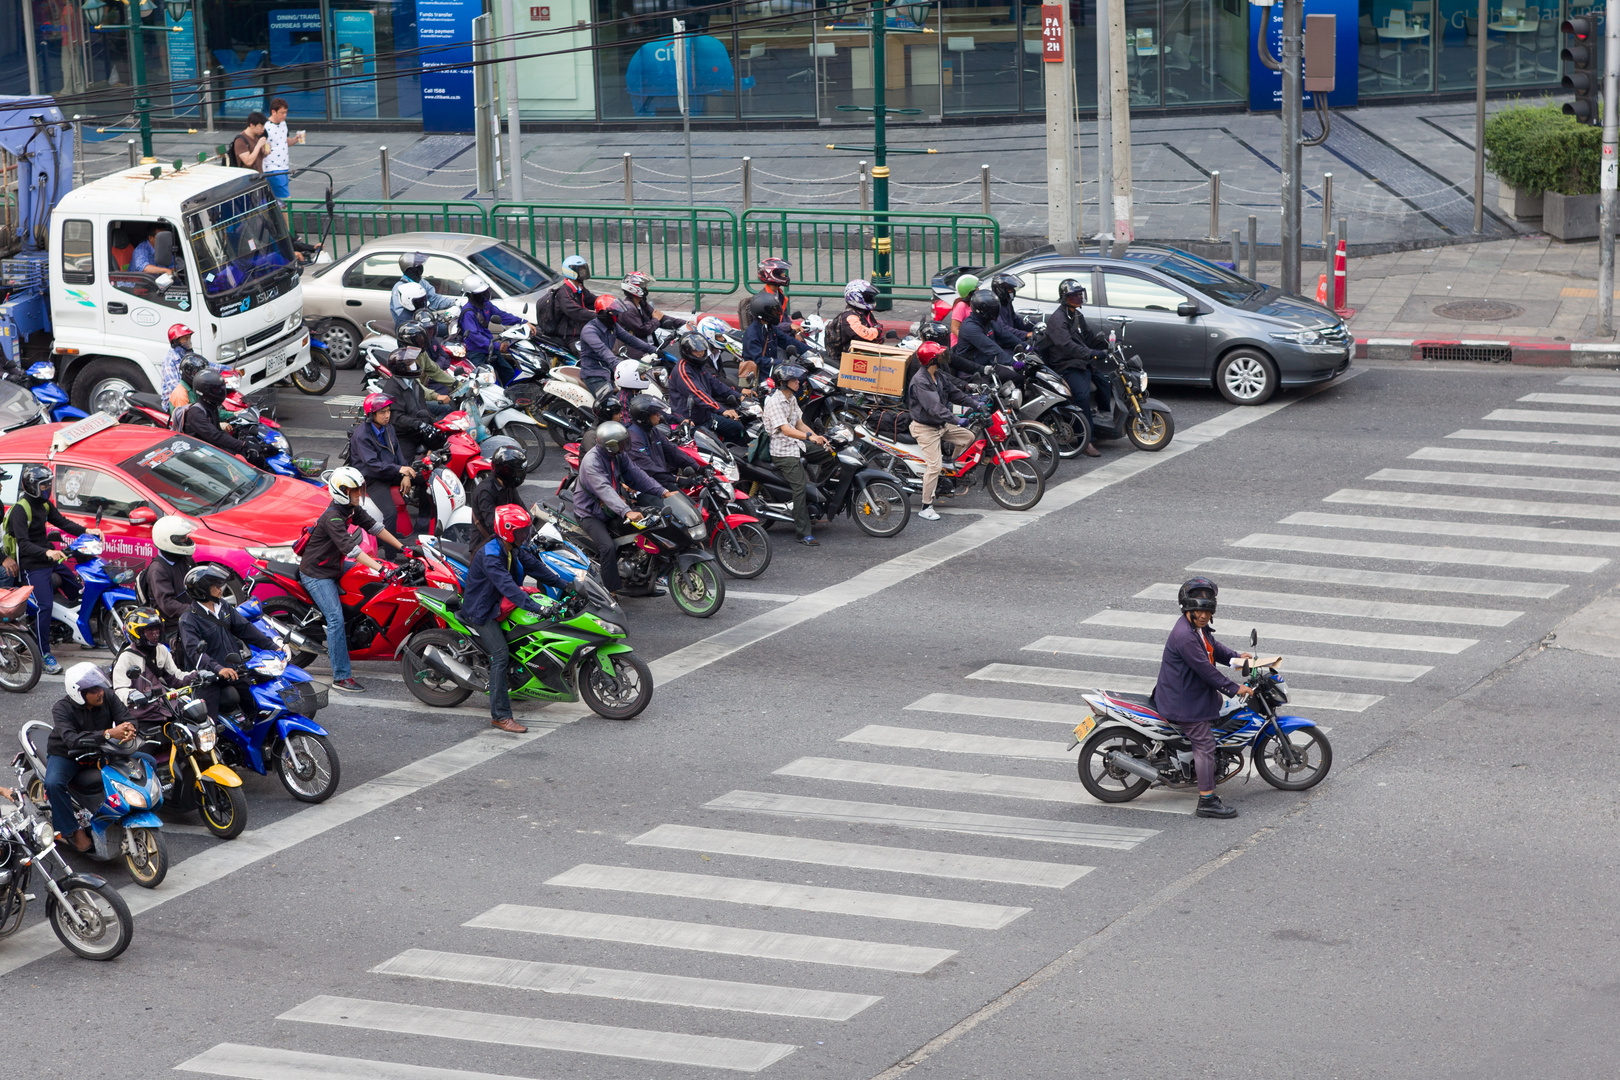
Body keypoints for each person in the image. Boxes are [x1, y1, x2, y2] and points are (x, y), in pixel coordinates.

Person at [462, 505, 576, 734]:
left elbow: (538, 569)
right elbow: (509, 588)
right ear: (507, 532)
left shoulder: (513, 548)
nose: (525, 535)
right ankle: (500, 716)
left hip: (500, 604)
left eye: (526, 530)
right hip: (482, 611)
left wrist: (569, 586)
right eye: (521, 531)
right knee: (501, 655)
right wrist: (537, 607)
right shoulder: (492, 556)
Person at [301, 466, 414, 693]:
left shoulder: (350, 509)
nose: (359, 494)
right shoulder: (333, 516)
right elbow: (352, 550)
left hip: (334, 565)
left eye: (359, 489)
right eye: (355, 490)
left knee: (371, 585)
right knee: (335, 620)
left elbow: (375, 527)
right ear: (342, 491)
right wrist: (380, 567)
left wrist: (405, 548)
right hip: (317, 572)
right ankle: (341, 677)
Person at [1153, 577, 1253, 820]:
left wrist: (1237, 658)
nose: (1204, 616)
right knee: (1205, 744)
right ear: (1188, 609)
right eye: (1199, 611)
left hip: (1187, 692)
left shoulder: (1196, 628)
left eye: (1208, 611)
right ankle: (1207, 800)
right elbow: (1205, 670)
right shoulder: (1185, 636)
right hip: (1183, 701)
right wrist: (1234, 688)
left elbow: (1213, 648)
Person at [6, 465, 91, 675]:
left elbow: (61, 522)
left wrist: (87, 531)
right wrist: (46, 553)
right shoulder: (20, 510)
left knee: (77, 590)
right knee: (44, 606)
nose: (47, 488)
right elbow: (24, 544)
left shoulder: (44, 504)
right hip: (31, 566)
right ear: (32, 486)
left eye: (49, 484)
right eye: (43, 485)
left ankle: (78, 631)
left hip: (49, 558)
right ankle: (45, 654)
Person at [572, 421, 673, 597]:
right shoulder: (592, 462)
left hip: (613, 508)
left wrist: (662, 491)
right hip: (591, 513)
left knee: (650, 529)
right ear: (610, 445)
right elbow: (605, 490)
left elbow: (637, 475)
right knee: (607, 547)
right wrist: (626, 511)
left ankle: (643, 583)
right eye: (621, 443)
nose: (624, 446)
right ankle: (610, 592)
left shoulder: (617, 455)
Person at [46, 665, 135, 852]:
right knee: (53, 784)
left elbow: (127, 718)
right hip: (68, 755)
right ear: (79, 693)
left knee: (144, 762)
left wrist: (130, 728)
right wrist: (108, 734)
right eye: (94, 690)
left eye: (100, 687)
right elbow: (71, 740)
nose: (100, 692)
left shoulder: (107, 697)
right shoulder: (61, 708)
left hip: (100, 751)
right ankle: (74, 831)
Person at [179, 565, 278, 732]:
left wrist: (275, 646)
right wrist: (218, 669)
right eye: (216, 586)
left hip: (234, 671)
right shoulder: (188, 619)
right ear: (202, 590)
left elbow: (246, 629)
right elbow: (195, 654)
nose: (220, 589)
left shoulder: (223, 606)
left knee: (258, 708)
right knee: (207, 727)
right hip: (208, 679)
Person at [908, 342, 978, 522]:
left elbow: (955, 394)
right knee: (934, 466)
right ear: (932, 360)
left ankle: (950, 471)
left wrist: (976, 403)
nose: (943, 357)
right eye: (939, 355)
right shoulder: (921, 381)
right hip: (925, 428)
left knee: (968, 437)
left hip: (940, 425)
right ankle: (926, 506)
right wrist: (956, 420)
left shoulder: (938, 375)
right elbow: (935, 408)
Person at [763, 364, 830, 547]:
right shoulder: (774, 402)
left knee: (830, 454)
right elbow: (786, 430)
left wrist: (816, 437)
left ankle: (819, 492)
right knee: (799, 487)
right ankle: (803, 532)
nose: (797, 382)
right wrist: (809, 437)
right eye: (793, 380)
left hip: (798, 444)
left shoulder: (791, 398)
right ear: (783, 383)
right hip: (783, 451)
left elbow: (799, 423)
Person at [1042, 278, 1108, 458]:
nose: (1078, 298)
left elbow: (1086, 337)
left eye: (1080, 294)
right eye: (1074, 295)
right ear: (1065, 298)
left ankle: (1103, 422)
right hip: (1067, 364)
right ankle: (1086, 440)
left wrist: (1103, 344)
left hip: (1081, 361)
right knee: (1081, 396)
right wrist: (1091, 354)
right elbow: (1066, 345)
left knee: (1105, 383)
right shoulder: (1058, 319)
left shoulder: (1077, 315)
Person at [349, 393, 419, 536]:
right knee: (390, 513)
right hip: (373, 478)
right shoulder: (362, 435)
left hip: (390, 472)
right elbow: (372, 464)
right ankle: (390, 555)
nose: (387, 415)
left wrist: (405, 473)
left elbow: (398, 454)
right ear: (371, 414)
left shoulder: (388, 428)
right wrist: (400, 469)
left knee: (424, 477)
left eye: (388, 411)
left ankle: (423, 523)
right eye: (383, 412)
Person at [112, 607, 195, 726]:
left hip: (166, 707)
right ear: (137, 632)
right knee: (150, 744)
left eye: (157, 629)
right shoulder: (127, 657)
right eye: (150, 630)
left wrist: (197, 675)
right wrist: (132, 695)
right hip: (142, 714)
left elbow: (175, 677)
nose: (155, 633)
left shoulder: (161, 650)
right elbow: (120, 690)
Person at [736, 257, 803, 386]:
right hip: (770, 344)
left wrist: (795, 332)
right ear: (771, 275)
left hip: (778, 334)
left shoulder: (780, 296)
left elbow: (784, 318)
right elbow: (773, 323)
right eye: (780, 273)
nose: (784, 275)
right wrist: (789, 326)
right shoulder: (762, 302)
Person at [671, 331, 745, 444]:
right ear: (687, 351)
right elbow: (699, 395)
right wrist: (723, 411)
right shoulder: (683, 371)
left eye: (702, 350)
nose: (700, 353)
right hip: (691, 422)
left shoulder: (699, 367)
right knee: (714, 445)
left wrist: (740, 396)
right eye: (696, 351)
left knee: (737, 428)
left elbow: (716, 384)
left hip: (707, 417)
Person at [377, 347, 450, 457]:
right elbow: (396, 418)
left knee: (446, 446)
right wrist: (419, 424)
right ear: (401, 367)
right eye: (410, 363)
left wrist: (435, 424)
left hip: (418, 430)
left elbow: (423, 409)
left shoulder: (414, 384)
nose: (415, 365)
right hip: (403, 435)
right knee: (407, 466)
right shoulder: (392, 389)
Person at [181, 371, 265, 465]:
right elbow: (215, 436)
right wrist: (243, 445)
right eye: (216, 390)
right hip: (200, 452)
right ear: (206, 391)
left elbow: (217, 430)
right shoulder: (196, 413)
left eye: (221, 388)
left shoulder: (211, 406)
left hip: (211, 445)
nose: (220, 392)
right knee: (237, 465)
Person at [459, 274, 527, 384]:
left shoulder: (485, 305)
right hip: (476, 352)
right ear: (471, 295)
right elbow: (476, 337)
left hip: (490, 347)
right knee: (487, 381)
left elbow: (501, 315)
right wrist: (497, 346)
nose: (484, 296)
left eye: (485, 292)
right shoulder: (468, 313)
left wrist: (522, 321)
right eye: (480, 294)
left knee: (508, 372)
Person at [145, 515, 197, 652]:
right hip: (173, 626)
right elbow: (168, 605)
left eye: (185, 537)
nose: (185, 541)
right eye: (181, 539)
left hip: (191, 617)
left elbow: (198, 581)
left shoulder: (185, 559)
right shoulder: (158, 570)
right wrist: (196, 611)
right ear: (168, 540)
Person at [953, 289, 1024, 379]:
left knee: (1018, 377)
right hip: (972, 372)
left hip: (987, 365)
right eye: (993, 309)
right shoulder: (970, 328)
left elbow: (1005, 335)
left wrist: (1026, 346)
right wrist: (1014, 363)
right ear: (983, 311)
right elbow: (991, 348)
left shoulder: (987, 321)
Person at [625, 393, 688, 490]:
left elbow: (671, 450)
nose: (659, 415)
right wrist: (677, 479)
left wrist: (698, 467)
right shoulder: (634, 439)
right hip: (647, 487)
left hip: (660, 481)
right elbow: (650, 470)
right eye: (655, 413)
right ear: (644, 417)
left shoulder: (653, 430)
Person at [535, 255, 597, 346]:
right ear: (571, 272)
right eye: (580, 270)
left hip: (581, 331)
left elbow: (592, 301)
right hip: (569, 336)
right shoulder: (564, 292)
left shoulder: (579, 288)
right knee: (587, 356)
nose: (583, 272)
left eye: (584, 269)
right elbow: (575, 312)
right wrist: (598, 316)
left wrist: (609, 304)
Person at [617, 271, 683, 355]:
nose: (647, 288)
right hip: (637, 353)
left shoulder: (641, 303)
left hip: (650, 348)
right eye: (644, 286)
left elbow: (660, 316)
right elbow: (643, 330)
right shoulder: (628, 310)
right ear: (635, 289)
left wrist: (684, 323)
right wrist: (656, 319)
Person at [472, 445, 527, 540]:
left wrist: (533, 532)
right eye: (517, 473)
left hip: (507, 541)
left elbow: (522, 510)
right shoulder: (485, 491)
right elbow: (493, 525)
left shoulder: (508, 486)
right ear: (506, 471)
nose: (519, 476)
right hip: (486, 546)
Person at [824, 279, 885, 362]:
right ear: (855, 296)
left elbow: (875, 327)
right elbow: (863, 335)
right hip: (845, 358)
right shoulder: (849, 317)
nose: (870, 299)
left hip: (863, 353)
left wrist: (877, 332)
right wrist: (877, 331)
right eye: (867, 297)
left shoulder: (865, 312)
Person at [390, 253, 456, 329]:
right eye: (418, 266)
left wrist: (454, 302)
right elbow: (401, 315)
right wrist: (424, 318)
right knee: (445, 329)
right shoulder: (400, 288)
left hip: (425, 322)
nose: (420, 268)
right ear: (410, 269)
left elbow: (434, 300)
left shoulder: (421, 282)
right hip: (410, 328)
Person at [261, 97, 304, 204]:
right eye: (282, 113)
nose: (284, 115)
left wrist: (295, 139)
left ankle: (279, 220)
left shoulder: (284, 124)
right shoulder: (265, 127)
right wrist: (266, 149)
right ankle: (287, 221)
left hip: (284, 167)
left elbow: (286, 142)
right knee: (286, 201)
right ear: (273, 112)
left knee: (277, 201)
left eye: (286, 112)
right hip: (272, 168)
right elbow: (262, 144)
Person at [988, 272, 1037, 340]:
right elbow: (1003, 328)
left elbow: (1015, 320)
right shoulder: (993, 306)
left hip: (1011, 339)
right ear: (1001, 290)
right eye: (1010, 289)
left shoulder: (1006, 303)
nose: (1012, 292)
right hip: (1002, 343)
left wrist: (1034, 325)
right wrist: (1026, 334)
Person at [161, 323, 202, 404]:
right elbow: (174, 386)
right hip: (175, 400)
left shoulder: (187, 354)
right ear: (176, 342)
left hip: (191, 394)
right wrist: (193, 392)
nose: (188, 341)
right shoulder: (170, 359)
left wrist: (228, 369)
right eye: (185, 339)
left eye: (189, 338)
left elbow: (205, 365)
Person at [947, 273, 979, 345]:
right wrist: (968, 340)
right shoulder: (961, 306)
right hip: (961, 347)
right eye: (976, 289)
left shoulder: (973, 304)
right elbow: (954, 329)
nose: (979, 290)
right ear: (970, 293)